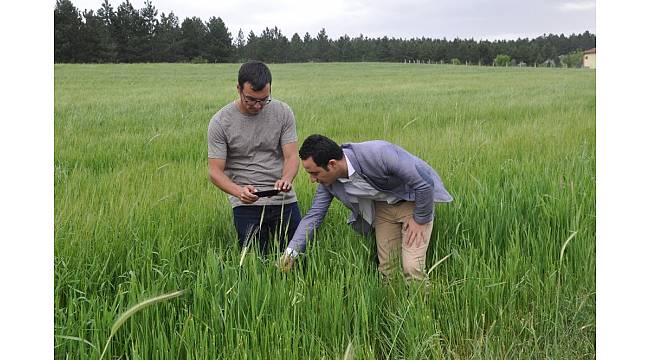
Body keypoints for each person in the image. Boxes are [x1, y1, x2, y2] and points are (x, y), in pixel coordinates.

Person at [279, 134, 452, 280]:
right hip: (383, 211)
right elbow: (314, 216)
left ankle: (421, 312)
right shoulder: (329, 183)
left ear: (332, 164)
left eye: (314, 173)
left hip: (412, 203)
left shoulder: (379, 153)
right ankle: (394, 312)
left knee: (412, 268)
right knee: (387, 270)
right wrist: (290, 253)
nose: (312, 179)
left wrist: (420, 219)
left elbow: (423, 182)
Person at [208, 60, 301, 254]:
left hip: (283, 199)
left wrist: (286, 179)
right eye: (250, 99)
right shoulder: (220, 121)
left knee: (296, 259)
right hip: (245, 204)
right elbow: (215, 172)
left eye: (264, 99)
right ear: (238, 89)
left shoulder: (283, 112)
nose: (257, 106)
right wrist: (238, 191)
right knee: (256, 262)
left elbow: (292, 157)